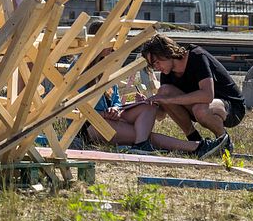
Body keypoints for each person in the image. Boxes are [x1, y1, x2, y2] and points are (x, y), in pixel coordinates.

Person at [73, 26, 232, 158]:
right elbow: (76, 106)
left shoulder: (105, 68)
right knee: (142, 134)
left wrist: (116, 107)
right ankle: (196, 147)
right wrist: (104, 114)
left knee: (148, 106)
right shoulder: (80, 69)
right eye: (111, 42)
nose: (113, 48)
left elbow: (114, 98)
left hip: (110, 117)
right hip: (91, 124)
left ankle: (142, 145)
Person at [140, 33, 244, 150]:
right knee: (164, 91)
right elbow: (162, 115)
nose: (156, 68)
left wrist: (169, 99)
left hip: (231, 107)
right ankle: (196, 141)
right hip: (200, 107)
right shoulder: (167, 72)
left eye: (157, 62)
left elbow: (207, 95)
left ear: (167, 52)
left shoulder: (197, 56)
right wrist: (148, 105)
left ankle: (224, 142)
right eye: (153, 65)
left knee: (200, 109)